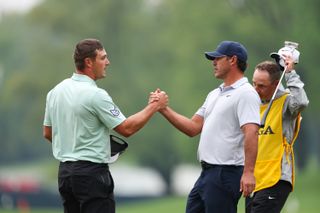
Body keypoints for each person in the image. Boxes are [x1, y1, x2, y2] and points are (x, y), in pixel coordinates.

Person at [42, 38, 168, 213]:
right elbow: (127, 128)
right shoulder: (96, 95)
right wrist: (154, 106)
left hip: (65, 174)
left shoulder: (55, 92)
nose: (107, 62)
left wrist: (73, 144)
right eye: (102, 58)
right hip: (91, 174)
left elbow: (48, 133)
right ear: (88, 62)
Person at [154, 41, 261, 213]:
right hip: (207, 174)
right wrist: (163, 108)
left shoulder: (246, 93)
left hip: (226, 173)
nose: (213, 62)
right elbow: (192, 127)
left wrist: (249, 172)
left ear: (233, 60)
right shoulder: (215, 94)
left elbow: (251, 132)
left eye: (218, 58)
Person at [246, 57, 309, 213]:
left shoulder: (286, 102)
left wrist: (290, 72)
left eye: (261, 86)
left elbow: (301, 102)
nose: (255, 89)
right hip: (255, 179)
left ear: (275, 85)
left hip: (277, 177)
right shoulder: (253, 103)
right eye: (254, 83)